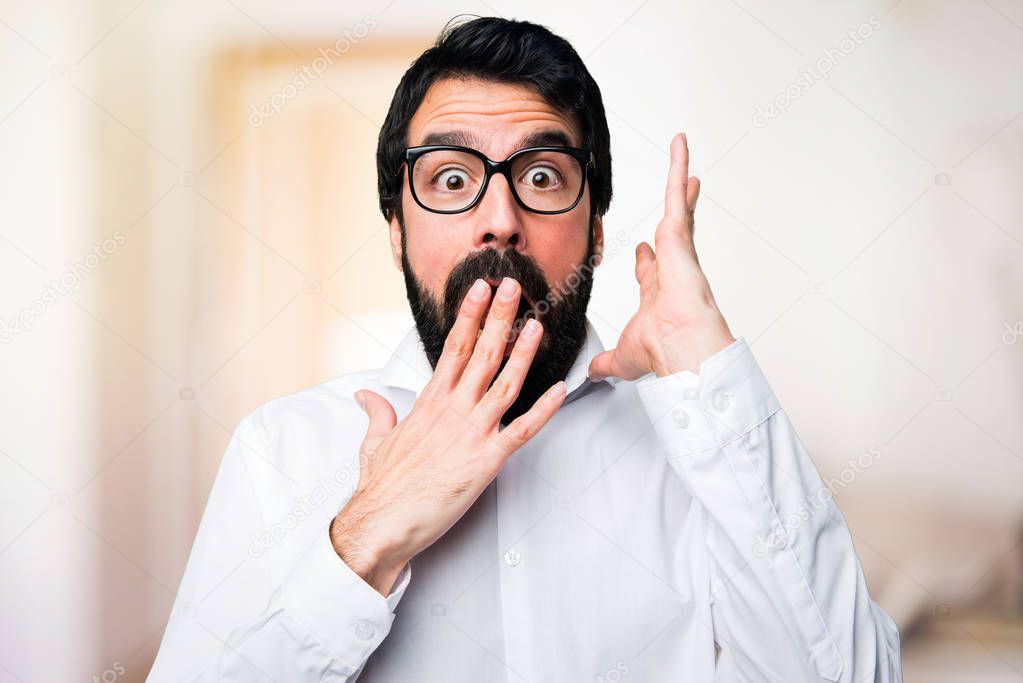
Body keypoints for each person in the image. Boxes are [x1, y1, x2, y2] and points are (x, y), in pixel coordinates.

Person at [148, 16, 902, 682]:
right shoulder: (281, 450)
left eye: (541, 175)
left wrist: (707, 361)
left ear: (597, 230)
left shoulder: (705, 448)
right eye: (450, 179)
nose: (499, 218)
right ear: (395, 232)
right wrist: (366, 536)